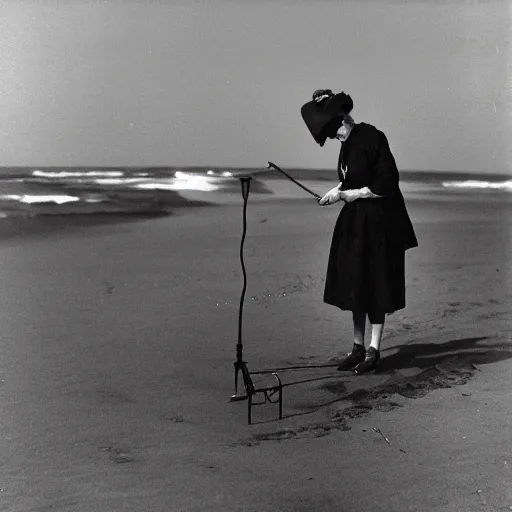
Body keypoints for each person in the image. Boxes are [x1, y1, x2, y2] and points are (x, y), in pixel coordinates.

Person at [301, 89, 418, 374]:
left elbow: (387, 182)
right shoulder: (346, 144)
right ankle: (357, 347)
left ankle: (374, 350)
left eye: (337, 131)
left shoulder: (372, 137)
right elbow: (349, 180)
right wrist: (336, 193)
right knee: (356, 284)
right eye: (332, 136)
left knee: (376, 285)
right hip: (356, 226)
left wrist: (353, 195)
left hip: (379, 225)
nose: (336, 137)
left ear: (344, 119)